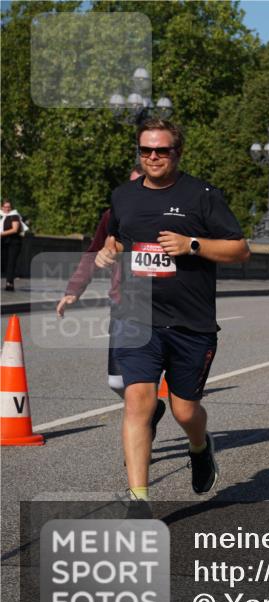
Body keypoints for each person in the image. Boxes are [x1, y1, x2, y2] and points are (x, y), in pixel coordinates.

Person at [94, 118, 250, 511]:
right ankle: (139, 501)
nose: (153, 157)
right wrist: (107, 252)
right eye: (146, 150)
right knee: (138, 403)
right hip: (136, 317)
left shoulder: (202, 195)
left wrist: (192, 244)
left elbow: (240, 250)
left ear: (177, 152)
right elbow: (117, 238)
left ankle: (200, 446)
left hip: (190, 322)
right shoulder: (123, 196)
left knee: (184, 409)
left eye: (161, 150)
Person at [57, 167, 168, 439]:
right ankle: (150, 411)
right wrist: (74, 290)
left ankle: (141, 434)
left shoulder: (172, 215)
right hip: (125, 305)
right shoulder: (112, 216)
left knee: (168, 394)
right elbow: (94, 252)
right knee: (117, 381)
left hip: (168, 306)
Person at [1, 199, 24, 291]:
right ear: (2, 207)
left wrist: (1, 234)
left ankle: (9, 283)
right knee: (3, 262)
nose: (7, 208)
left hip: (14, 242)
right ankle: (9, 280)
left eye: (9, 207)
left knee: (11, 262)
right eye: (5, 207)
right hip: (4, 242)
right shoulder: (1, 216)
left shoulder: (14, 215)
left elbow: (14, 229)